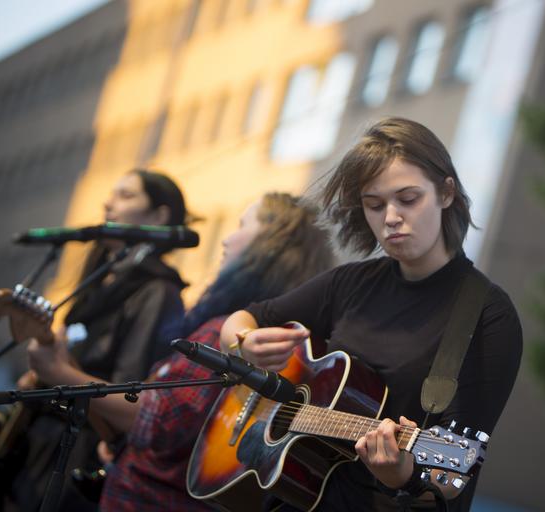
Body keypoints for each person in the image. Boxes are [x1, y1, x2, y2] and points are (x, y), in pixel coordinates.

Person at [219, 117, 523, 511]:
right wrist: (243, 343)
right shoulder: (349, 283)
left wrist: (404, 475)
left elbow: (454, 471)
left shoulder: (487, 315)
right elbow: (244, 318)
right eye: (374, 205)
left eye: (408, 199)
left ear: (446, 193)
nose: (391, 217)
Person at [26, 192, 336, 511]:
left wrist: (60, 373)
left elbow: (159, 421)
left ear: (271, 246)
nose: (226, 239)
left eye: (242, 225)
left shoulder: (229, 333)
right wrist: (121, 442)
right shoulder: (242, 330)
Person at [0, 169, 190, 512]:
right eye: (112, 194)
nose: (108, 203)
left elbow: (130, 394)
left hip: (76, 459)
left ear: (159, 216)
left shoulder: (158, 292)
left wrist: (59, 373)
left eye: (126, 196)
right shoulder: (98, 281)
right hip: (33, 451)